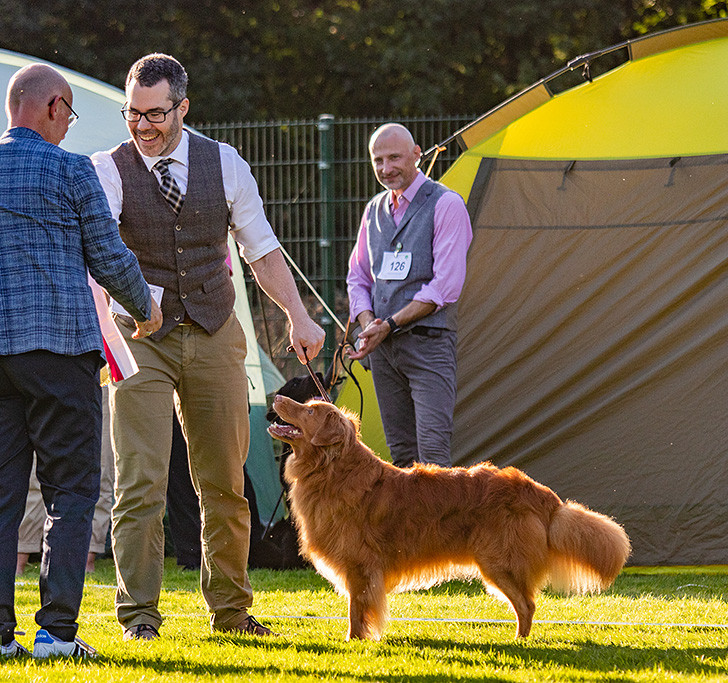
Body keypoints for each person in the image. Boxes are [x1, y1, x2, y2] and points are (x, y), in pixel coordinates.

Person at [91, 53, 325, 641]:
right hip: (139, 339)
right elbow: (97, 253)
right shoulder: (107, 169)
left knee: (224, 482)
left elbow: (260, 248)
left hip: (215, 331)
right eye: (133, 113)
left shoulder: (226, 163)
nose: (142, 126)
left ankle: (232, 613)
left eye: (155, 114)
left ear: (183, 108)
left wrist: (297, 315)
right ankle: (139, 617)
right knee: (139, 484)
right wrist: (125, 310)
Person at [0, 63, 161, 660]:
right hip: (59, 351)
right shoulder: (71, 170)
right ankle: (56, 633)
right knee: (71, 491)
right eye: (70, 114)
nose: (69, 125)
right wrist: (146, 310)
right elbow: (108, 257)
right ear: (55, 107)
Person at [345, 123, 473, 468]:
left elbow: (445, 286)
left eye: (394, 158)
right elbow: (358, 277)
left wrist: (388, 324)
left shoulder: (446, 204)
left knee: (432, 457)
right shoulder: (373, 210)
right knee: (401, 456)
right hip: (384, 351)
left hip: (429, 345)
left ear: (416, 154)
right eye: (378, 160)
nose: (386, 168)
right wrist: (368, 325)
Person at [16, 385, 115, 576]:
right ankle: (20, 558)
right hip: (47, 380)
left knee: (99, 469)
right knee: (34, 474)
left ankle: (88, 559)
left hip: (98, 380)